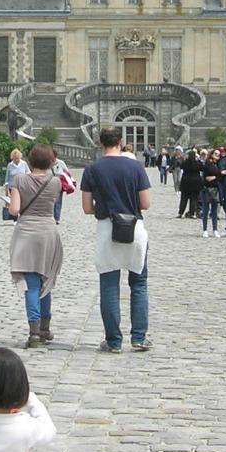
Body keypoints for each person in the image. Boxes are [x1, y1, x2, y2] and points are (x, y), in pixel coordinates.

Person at [80, 126, 152, 352]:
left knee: (109, 286)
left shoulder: (92, 169)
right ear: (120, 142)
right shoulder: (135, 166)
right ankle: (139, 337)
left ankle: (113, 341)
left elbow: (86, 208)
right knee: (138, 284)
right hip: (134, 228)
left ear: (101, 143)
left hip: (106, 229)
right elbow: (145, 203)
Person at [7, 145, 63, 348]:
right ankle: (45, 328)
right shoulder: (55, 182)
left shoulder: (20, 180)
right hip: (48, 232)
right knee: (46, 281)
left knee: (31, 284)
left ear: (29, 161)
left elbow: (14, 210)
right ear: (50, 163)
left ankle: (34, 332)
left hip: (26, 232)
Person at [198, 147, 222, 238]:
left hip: (215, 190)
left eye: (219, 155)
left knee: (214, 211)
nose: (217, 156)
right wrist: (219, 174)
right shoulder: (208, 163)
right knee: (205, 210)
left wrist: (215, 177)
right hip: (206, 189)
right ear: (211, 154)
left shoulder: (218, 164)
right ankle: (205, 230)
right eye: (216, 154)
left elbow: (221, 176)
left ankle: (215, 229)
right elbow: (213, 172)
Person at [176, 147, 202, 218]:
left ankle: (180, 213)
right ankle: (192, 213)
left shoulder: (185, 163)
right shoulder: (197, 163)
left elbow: (180, 165)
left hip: (185, 182)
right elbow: (202, 167)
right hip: (195, 183)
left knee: (184, 199)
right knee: (194, 199)